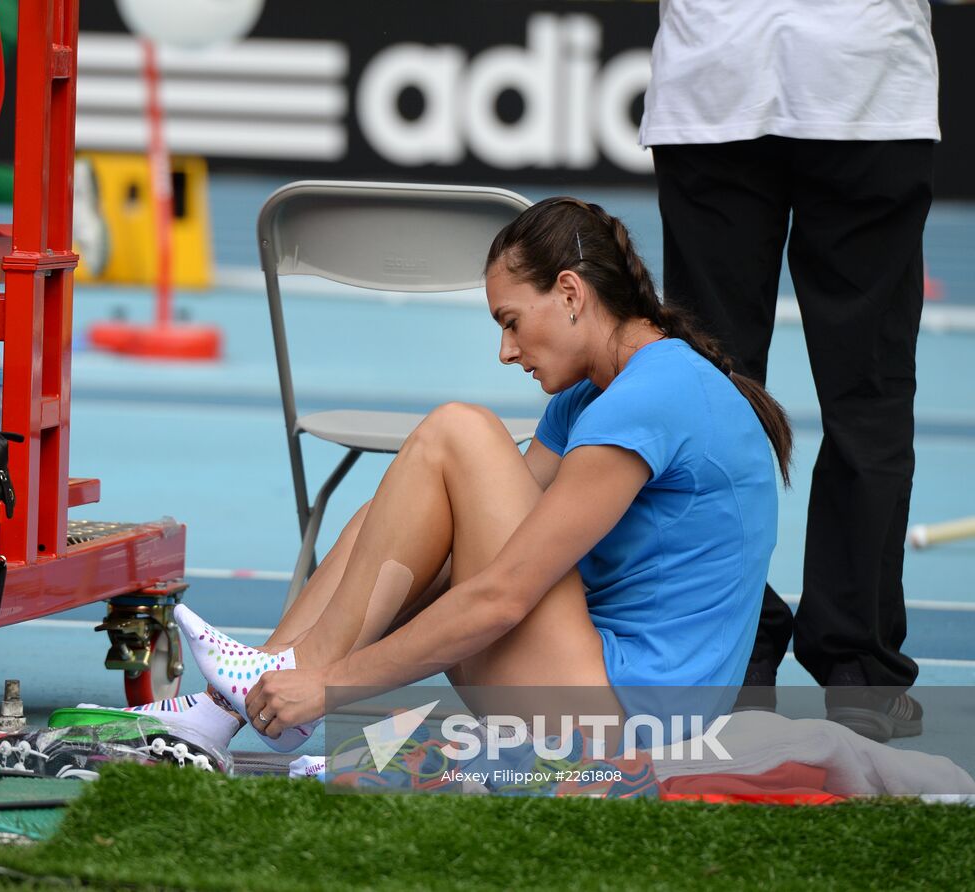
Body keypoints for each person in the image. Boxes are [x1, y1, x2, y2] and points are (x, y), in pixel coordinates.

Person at [83, 198, 792, 754]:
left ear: (572, 294)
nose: (507, 351)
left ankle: (274, 682)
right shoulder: (598, 393)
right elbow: (458, 531)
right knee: (392, 515)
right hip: (592, 687)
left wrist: (330, 686)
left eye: (512, 322)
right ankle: (239, 698)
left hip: (622, 722)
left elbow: (501, 596)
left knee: (458, 430)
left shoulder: (654, 393)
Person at [641, 0, 938, 740]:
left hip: (718, 76)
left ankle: (735, 650)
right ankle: (858, 673)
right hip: (864, 80)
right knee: (866, 395)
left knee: (712, 392)